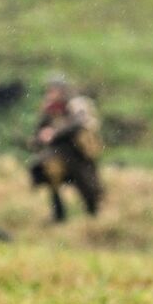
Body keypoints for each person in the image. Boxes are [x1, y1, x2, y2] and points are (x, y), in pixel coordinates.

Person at [28, 75, 103, 222]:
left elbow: (78, 123)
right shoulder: (49, 109)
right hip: (58, 154)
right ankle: (59, 216)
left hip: (78, 154)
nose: (51, 93)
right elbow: (40, 131)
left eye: (54, 90)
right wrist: (39, 138)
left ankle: (94, 217)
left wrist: (55, 133)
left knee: (88, 186)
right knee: (51, 177)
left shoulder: (75, 105)